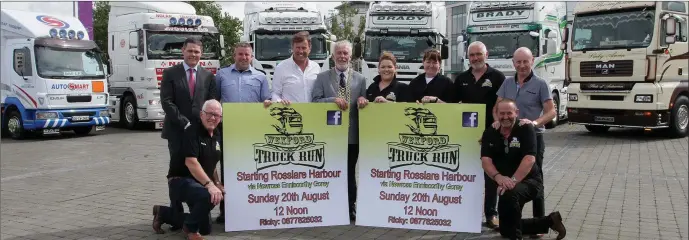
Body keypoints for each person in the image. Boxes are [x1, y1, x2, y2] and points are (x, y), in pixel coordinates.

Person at [493, 47, 557, 238]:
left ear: (532, 61)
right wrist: (496, 121)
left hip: (532, 138)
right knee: (513, 179)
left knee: (535, 182)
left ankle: (539, 224)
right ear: (513, 63)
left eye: (525, 61)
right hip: (509, 138)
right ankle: (515, 222)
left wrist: (534, 122)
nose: (522, 65)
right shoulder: (506, 83)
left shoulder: (540, 84)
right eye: (518, 62)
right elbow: (497, 107)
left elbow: (551, 112)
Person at [480, 99, 565, 240]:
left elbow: (529, 159)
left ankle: (516, 237)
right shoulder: (490, 132)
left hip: (530, 181)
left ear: (516, 113)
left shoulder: (526, 128)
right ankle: (550, 221)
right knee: (505, 230)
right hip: (505, 182)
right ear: (496, 113)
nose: (505, 117)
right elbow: (485, 161)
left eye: (509, 113)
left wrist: (512, 181)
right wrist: (499, 177)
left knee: (509, 194)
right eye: (502, 113)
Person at [160, 37, 217, 232]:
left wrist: (207, 126)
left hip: (199, 133)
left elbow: (210, 103)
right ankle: (174, 212)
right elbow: (167, 101)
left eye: (197, 52)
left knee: (201, 165)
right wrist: (183, 122)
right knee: (177, 171)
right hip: (177, 131)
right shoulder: (170, 73)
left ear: (201, 54)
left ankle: (195, 205)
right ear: (183, 51)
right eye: (190, 51)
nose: (193, 55)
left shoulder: (208, 76)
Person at [311, 40, 369, 221]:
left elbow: (364, 104)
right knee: (330, 171)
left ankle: (351, 206)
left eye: (346, 53)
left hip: (352, 136)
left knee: (350, 173)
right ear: (333, 56)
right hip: (329, 136)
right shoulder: (322, 77)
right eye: (339, 53)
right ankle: (329, 205)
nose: (342, 56)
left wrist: (362, 101)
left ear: (351, 56)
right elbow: (314, 102)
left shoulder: (360, 79)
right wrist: (332, 100)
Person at [213, 42, 270, 223]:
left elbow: (266, 101)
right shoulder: (221, 75)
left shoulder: (260, 77)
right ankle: (226, 210)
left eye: (247, 55)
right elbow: (214, 100)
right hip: (227, 129)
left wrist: (268, 102)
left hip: (252, 130)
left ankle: (250, 207)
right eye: (240, 54)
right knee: (228, 169)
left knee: (251, 169)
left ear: (252, 56)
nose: (244, 58)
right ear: (234, 55)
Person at [152, 99, 225, 240]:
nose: (213, 118)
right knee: (208, 195)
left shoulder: (216, 134)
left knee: (205, 227)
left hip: (198, 183)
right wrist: (209, 185)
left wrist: (216, 183)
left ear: (220, 118)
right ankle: (190, 230)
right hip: (180, 180)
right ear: (201, 114)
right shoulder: (192, 131)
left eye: (216, 115)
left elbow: (211, 163)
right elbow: (191, 162)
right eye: (209, 113)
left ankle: (164, 213)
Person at [454, 41, 506, 229]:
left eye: (478, 54)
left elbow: (505, 105)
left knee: (490, 175)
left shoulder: (498, 77)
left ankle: (491, 214)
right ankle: (466, 212)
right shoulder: (461, 79)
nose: (475, 58)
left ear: (486, 54)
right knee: (465, 174)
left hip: (491, 134)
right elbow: (451, 105)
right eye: (472, 55)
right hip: (466, 135)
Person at [269, 31, 322, 106]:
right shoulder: (281, 68)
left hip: (313, 114)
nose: (300, 51)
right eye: (298, 47)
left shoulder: (316, 68)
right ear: (292, 48)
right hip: (291, 115)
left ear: (309, 48)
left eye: (304, 48)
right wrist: (279, 101)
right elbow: (275, 93)